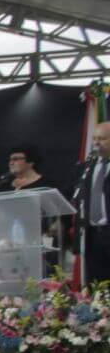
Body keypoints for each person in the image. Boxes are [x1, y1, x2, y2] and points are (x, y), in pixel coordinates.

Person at [75, 122, 110, 285]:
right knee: (97, 283)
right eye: (95, 138)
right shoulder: (87, 167)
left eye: (102, 138)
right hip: (93, 234)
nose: (96, 143)